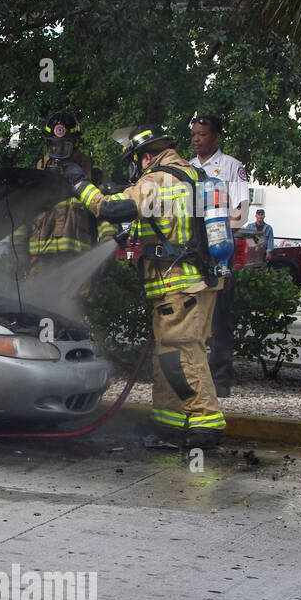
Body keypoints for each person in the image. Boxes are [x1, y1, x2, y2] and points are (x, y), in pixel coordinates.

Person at [66, 124, 225, 447]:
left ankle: (207, 423)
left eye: (137, 162)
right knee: (168, 354)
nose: (137, 169)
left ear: (147, 156)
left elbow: (111, 207)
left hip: (180, 284)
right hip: (192, 284)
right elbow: (168, 224)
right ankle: (169, 421)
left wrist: (80, 183)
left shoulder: (157, 179)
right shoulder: (191, 175)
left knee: (183, 353)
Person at [17, 111, 116, 281]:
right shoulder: (35, 172)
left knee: (71, 308)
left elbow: (106, 219)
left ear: (76, 143)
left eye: (65, 145)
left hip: (77, 268)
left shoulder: (93, 174)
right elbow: (21, 220)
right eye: (53, 145)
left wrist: (106, 254)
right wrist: (19, 258)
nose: (58, 150)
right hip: (38, 266)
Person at [189, 115, 248, 397]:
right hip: (190, 251)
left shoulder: (231, 167)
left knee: (220, 319)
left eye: (202, 134)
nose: (197, 139)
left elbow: (240, 212)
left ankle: (220, 378)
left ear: (216, 137)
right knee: (191, 315)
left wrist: (218, 235)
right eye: (194, 135)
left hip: (219, 250)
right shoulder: (185, 169)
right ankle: (192, 374)